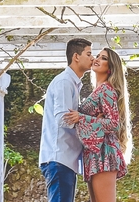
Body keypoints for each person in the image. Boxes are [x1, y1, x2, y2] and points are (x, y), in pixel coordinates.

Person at [64, 48, 133, 202]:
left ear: (110, 68)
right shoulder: (98, 90)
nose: (97, 59)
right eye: (98, 56)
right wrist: (89, 119)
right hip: (93, 153)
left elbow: (113, 123)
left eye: (103, 58)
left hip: (104, 152)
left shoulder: (107, 89)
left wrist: (81, 117)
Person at [40, 38, 92, 202]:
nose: (92, 58)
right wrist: (86, 120)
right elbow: (63, 118)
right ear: (76, 56)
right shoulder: (64, 82)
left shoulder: (71, 83)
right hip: (59, 157)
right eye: (89, 54)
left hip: (65, 159)